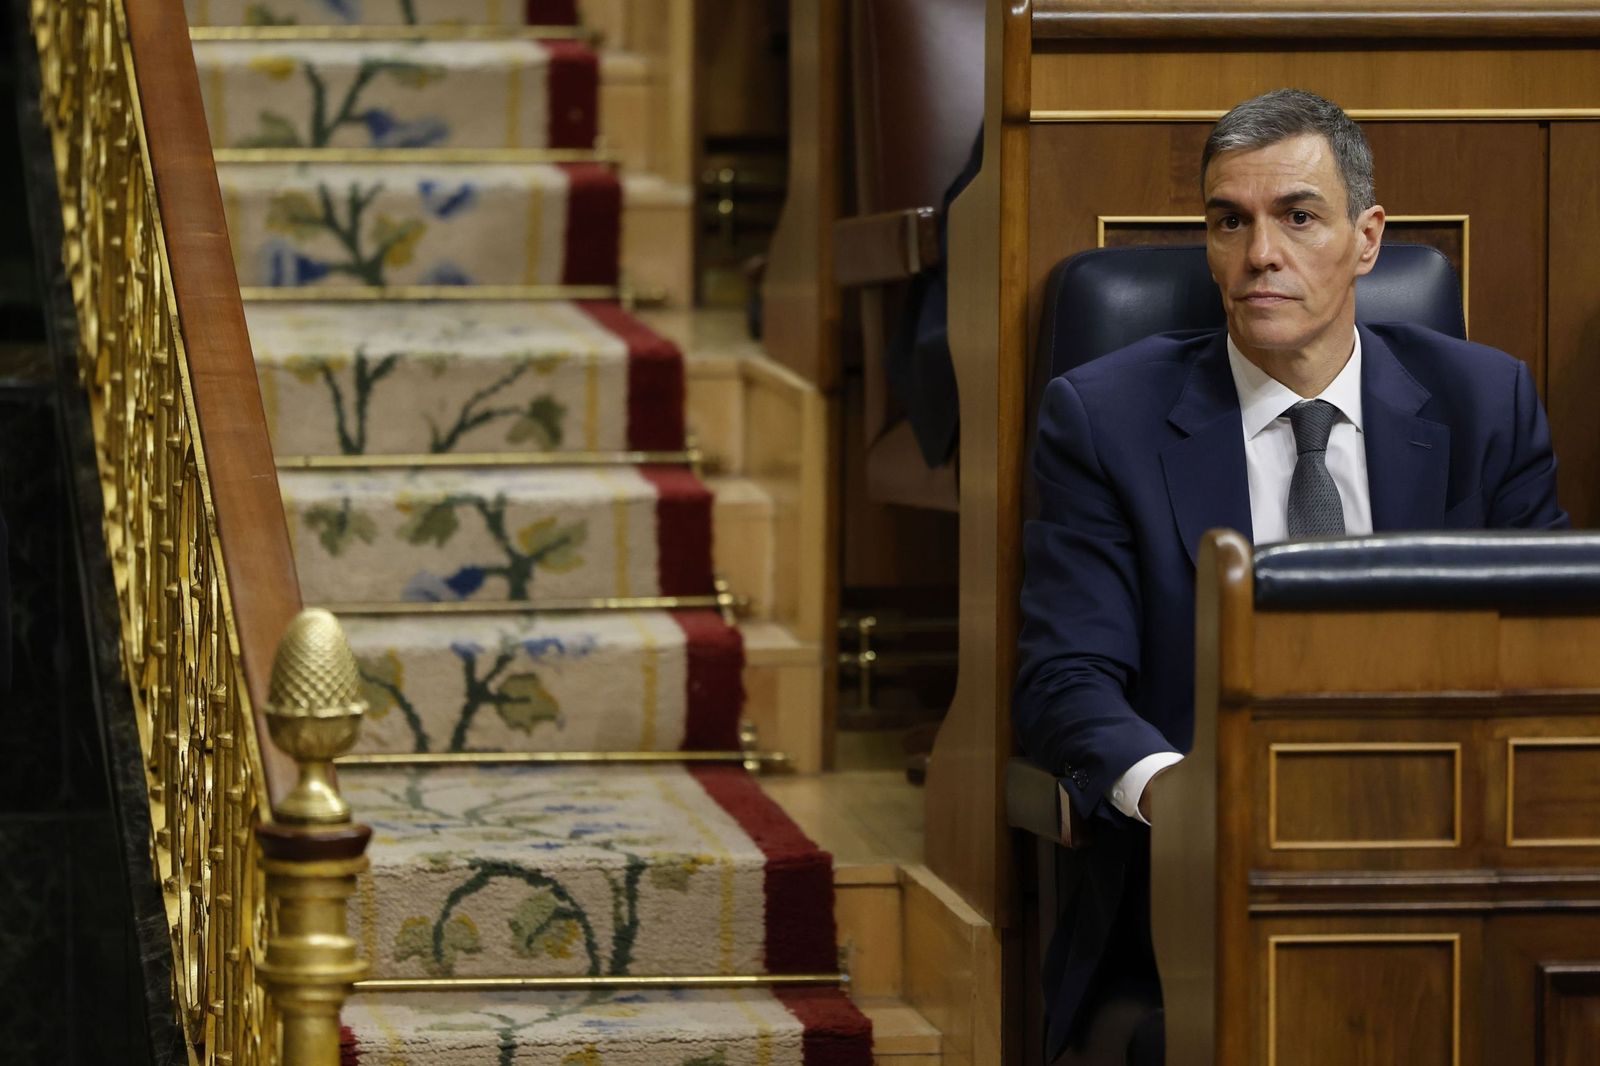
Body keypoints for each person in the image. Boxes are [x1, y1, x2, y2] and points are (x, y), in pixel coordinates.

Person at [1013, 88, 1568, 1064]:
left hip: (1450, 847)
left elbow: (1552, 647)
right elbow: (1066, 679)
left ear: (1366, 238)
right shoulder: (1105, 419)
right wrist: (1177, 800)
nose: (1258, 253)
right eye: (1229, 221)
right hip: (1213, 874)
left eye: (1296, 217)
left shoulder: (1486, 402)